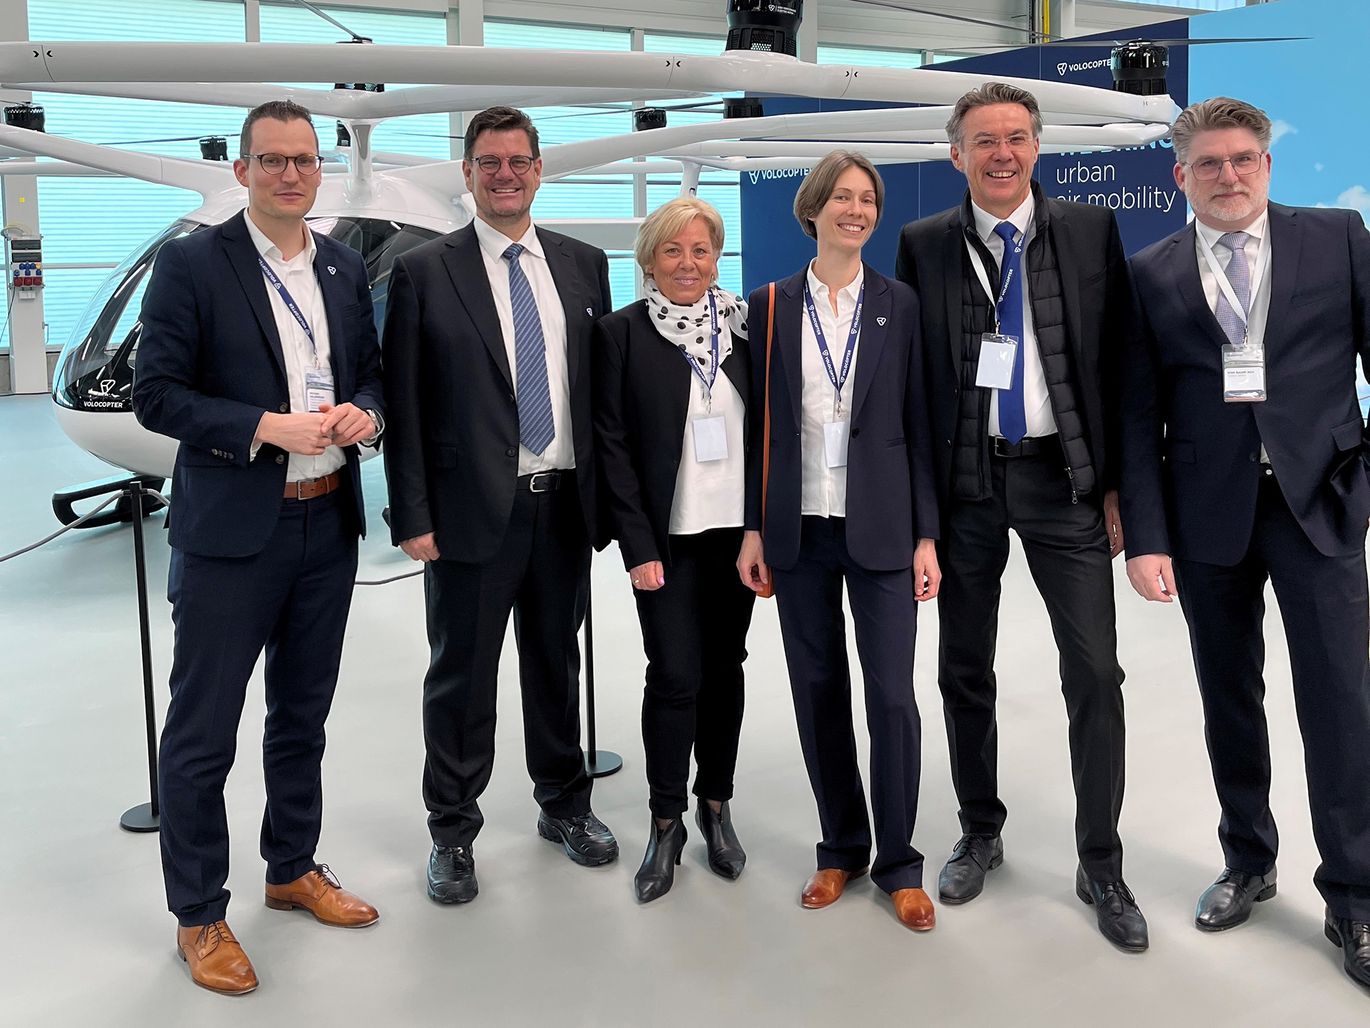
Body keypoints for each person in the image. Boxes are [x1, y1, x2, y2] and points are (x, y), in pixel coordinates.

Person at [132, 99, 384, 996]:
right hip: (234, 533)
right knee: (203, 734)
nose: (289, 174)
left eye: (304, 160)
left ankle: (292, 867)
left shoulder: (343, 267)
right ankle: (198, 913)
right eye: (272, 160)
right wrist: (263, 426)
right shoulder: (192, 264)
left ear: (320, 171)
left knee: (302, 716)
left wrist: (366, 415)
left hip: (327, 522)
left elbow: (370, 375)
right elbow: (156, 394)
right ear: (241, 171)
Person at [1122, 96, 1370, 987]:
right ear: (1179, 176)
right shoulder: (1149, 271)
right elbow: (1136, 413)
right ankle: (1248, 861)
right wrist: (1145, 536)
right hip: (1206, 516)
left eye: (1242, 160)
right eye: (1208, 164)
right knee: (1228, 697)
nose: (1227, 176)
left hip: (1320, 504)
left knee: (1340, 702)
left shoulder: (1338, 239)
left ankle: (1356, 896)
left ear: (1266, 165)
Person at [895, 82, 1147, 951]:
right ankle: (980, 830)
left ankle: (1101, 861)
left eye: (1015, 137)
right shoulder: (924, 243)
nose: (1001, 153)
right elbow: (913, 386)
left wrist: (1118, 485)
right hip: (967, 486)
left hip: (1062, 480)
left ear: (1037, 147)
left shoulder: (1089, 230)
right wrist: (921, 515)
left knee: (1096, 673)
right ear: (955, 154)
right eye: (983, 140)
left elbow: (1119, 364)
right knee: (964, 668)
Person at [383, 105, 617, 905]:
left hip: (564, 506)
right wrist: (411, 514)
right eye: (490, 162)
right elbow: (405, 403)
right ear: (469, 173)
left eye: (519, 160)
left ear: (539, 170)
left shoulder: (585, 265)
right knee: (462, 676)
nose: (505, 174)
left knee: (556, 664)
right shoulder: (425, 271)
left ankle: (565, 804)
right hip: (469, 511)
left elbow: (598, 391)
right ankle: (452, 830)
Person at [736, 150, 941, 932]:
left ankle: (900, 863)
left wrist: (927, 535)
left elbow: (919, 424)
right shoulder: (769, 306)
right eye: (842, 198)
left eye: (868, 200)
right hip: (799, 530)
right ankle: (841, 848)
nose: (856, 211)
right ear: (813, 209)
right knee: (818, 690)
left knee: (892, 696)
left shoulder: (900, 304)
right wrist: (754, 527)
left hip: (883, 528)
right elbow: (759, 429)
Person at [592, 197, 755, 902]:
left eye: (701, 250)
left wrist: (762, 531)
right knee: (674, 675)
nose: (688, 264)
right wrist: (637, 544)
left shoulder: (746, 327)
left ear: (717, 258)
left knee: (725, 669)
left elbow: (772, 433)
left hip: (737, 538)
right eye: (672, 250)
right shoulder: (620, 334)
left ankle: (715, 804)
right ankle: (666, 821)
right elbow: (612, 446)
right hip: (666, 541)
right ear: (649, 260)